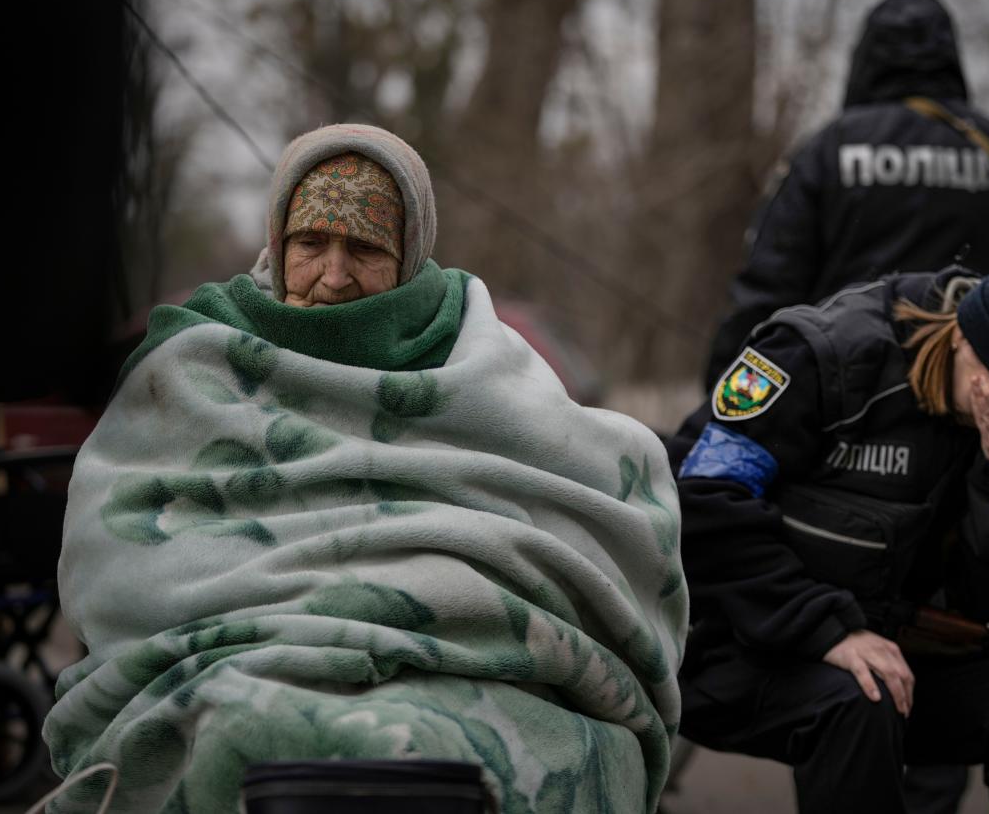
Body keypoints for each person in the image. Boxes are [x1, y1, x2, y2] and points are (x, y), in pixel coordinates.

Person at [42, 124, 687, 813]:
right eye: (311, 243)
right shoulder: (199, 363)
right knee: (243, 731)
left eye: (366, 248)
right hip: (229, 659)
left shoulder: (476, 356)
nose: (335, 274)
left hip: (470, 663)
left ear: (408, 255)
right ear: (278, 241)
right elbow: (117, 536)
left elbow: (589, 481)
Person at [670, 253, 989, 813]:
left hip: (882, 651)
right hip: (727, 650)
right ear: (969, 338)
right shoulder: (819, 355)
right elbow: (701, 503)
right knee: (859, 700)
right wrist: (828, 631)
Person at [705, 0, 989, 389]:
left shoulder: (828, 149)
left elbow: (771, 284)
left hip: (847, 403)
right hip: (972, 398)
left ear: (865, 57)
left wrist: (723, 389)